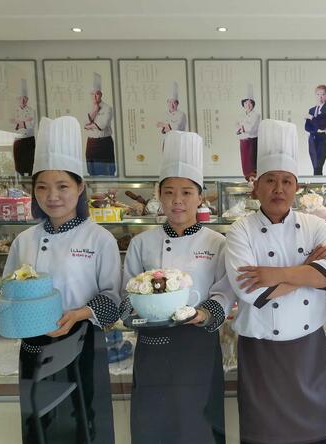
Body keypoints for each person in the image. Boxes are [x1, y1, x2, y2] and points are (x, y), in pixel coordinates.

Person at [225, 119, 326, 444]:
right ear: (256, 186)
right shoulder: (240, 230)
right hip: (260, 352)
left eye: (286, 181)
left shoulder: (315, 225)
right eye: (270, 180)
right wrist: (307, 270)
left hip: (309, 351)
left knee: (317, 434)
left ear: (296, 187)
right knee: (265, 435)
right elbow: (251, 291)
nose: (278, 189)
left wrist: (277, 274)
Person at [4, 116, 120, 444]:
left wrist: (78, 314)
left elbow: (113, 301)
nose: (52, 196)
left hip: (83, 343)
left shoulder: (99, 239)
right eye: (42, 186)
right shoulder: (24, 240)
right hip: (34, 346)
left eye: (62, 186)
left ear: (80, 188)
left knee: (85, 423)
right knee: (38, 427)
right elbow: (8, 292)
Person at [121, 131, 235, 444]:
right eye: (169, 192)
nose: (177, 200)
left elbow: (224, 292)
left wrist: (202, 314)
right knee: (152, 428)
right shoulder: (142, 243)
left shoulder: (217, 243)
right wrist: (133, 315)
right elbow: (126, 296)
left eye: (186, 192)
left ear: (200, 197)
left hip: (198, 346)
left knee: (200, 428)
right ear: (158, 195)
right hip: (152, 348)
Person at [84, 72, 116, 176]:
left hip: (104, 143)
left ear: (101, 94)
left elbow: (102, 125)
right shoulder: (87, 107)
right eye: (92, 94)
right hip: (91, 143)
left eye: (97, 94)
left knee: (108, 172)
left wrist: (90, 125)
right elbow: (84, 124)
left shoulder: (107, 108)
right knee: (92, 172)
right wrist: (95, 110)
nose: (94, 96)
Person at [305, 84, 326, 176]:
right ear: (315, 95)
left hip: (323, 141)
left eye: (323, 94)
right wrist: (318, 129)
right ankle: (316, 183)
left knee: (318, 167)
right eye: (318, 94)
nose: (320, 97)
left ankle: (318, 183)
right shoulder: (311, 110)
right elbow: (307, 127)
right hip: (312, 140)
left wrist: (311, 118)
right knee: (315, 167)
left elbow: (322, 124)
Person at [236, 84, 261, 180]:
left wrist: (242, 128)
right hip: (243, 142)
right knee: (245, 163)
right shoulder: (241, 115)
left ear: (253, 104)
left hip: (252, 142)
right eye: (246, 103)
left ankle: (253, 181)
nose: (248, 105)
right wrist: (241, 128)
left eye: (250, 103)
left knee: (252, 164)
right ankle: (247, 180)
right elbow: (236, 128)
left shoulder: (256, 115)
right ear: (243, 104)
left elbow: (251, 128)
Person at [11, 78, 36, 176]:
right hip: (18, 141)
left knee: (30, 164)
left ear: (27, 99)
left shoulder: (32, 111)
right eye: (20, 98)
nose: (22, 100)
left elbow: (32, 125)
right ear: (18, 99)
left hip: (29, 141)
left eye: (25, 98)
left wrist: (19, 122)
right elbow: (12, 125)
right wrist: (25, 122)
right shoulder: (14, 111)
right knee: (19, 166)